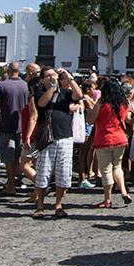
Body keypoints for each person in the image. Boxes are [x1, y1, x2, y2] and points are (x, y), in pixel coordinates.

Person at [32, 67, 83, 219]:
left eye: (54, 74)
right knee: (43, 173)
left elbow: (79, 95)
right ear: (42, 79)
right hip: (48, 139)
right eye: (48, 75)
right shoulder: (40, 92)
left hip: (65, 137)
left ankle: (58, 205)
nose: (52, 77)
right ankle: (40, 205)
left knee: (63, 173)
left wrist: (70, 78)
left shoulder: (66, 94)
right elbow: (42, 104)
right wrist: (53, 87)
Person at [87, 78, 133, 208]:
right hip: (120, 138)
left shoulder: (101, 103)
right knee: (117, 167)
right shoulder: (123, 103)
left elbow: (90, 120)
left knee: (106, 170)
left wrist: (90, 109)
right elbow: (128, 119)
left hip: (104, 139)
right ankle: (123, 191)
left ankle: (107, 199)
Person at [0, 62, 30, 195]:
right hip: (23, 126)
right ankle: (17, 180)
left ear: (8, 70)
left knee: (8, 157)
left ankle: (11, 185)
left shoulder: (2, 86)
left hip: (6, 125)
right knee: (19, 156)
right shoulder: (26, 86)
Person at [19, 63, 42, 189]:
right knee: (38, 163)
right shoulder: (44, 90)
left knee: (24, 164)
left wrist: (27, 136)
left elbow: (33, 117)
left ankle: (41, 185)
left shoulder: (33, 93)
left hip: (33, 132)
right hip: (39, 131)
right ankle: (37, 193)